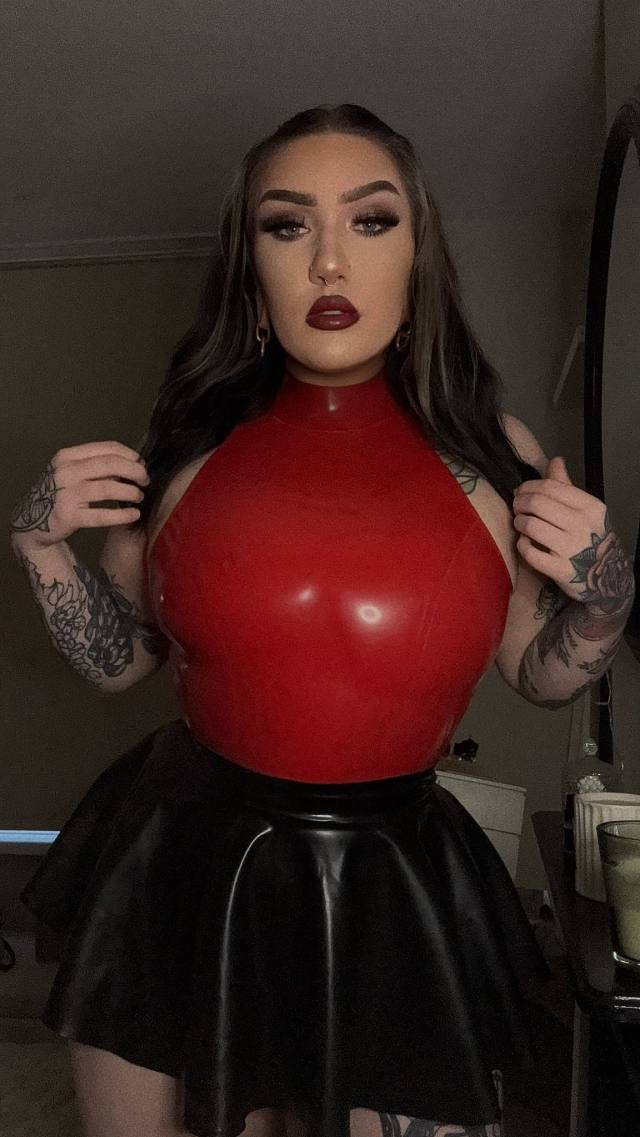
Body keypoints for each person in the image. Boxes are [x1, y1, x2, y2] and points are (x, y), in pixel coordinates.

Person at [9, 103, 635, 1137]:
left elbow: (538, 670)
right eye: (288, 224)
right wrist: (39, 546)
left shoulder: (493, 451)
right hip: (182, 856)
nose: (330, 261)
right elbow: (125, 659)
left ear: (418, 258)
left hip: (388, 872)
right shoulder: (189, 442)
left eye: (371, 220)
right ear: (250, 266)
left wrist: (604, 591)